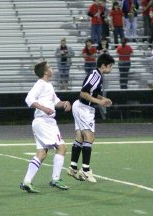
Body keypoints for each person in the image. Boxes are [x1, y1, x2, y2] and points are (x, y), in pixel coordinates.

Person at [20, 60, 71, 193]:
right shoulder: (41, 84)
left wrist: (65, 103)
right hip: (44, 121)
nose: (52, 69)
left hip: (41, 122)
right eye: (50, 67)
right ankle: (55, 179)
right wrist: (44, 108)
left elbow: (56, 102)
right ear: (45, 72)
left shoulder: (48, 85)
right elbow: (29, 99)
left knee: (42, 153)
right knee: (62, 148)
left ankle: (27, 181)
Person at [68, 52, 114, 183]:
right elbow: (83, 93)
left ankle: (73, 167)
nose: (111, 69)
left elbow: (94, 94)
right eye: (110, 66)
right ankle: (86, 171)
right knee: (89, 137)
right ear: (104, 66)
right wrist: (99, 102)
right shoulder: (95, 75)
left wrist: (103, 99)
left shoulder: (98, 75)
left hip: (82, 107)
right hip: (84, 108)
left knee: (80, 137)